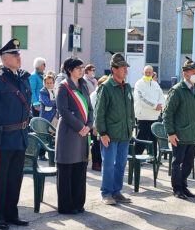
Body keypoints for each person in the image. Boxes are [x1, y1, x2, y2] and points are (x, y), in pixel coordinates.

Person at [0, 39, 31, 230]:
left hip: (21, 137)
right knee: (0, 179)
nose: (19, 57)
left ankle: (11, 213)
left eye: (19, 54)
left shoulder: (22, 79)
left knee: (16, 178)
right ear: (5, 58)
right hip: (4, 138)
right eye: (14, 55)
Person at [95, 53, 135, 205]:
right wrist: (103, 133)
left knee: (120, 165)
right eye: (123, 68)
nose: (126, 70)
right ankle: (107, 193)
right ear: (114, 69)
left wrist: (130, 127)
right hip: (110, 135)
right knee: (109, 165)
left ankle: (117, 192)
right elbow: (99, 113)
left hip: (124, 134)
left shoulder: (127, 87)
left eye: (126, 68)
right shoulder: (106, 88)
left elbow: (131, 110)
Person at [55, 57, 93, 214]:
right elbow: (63, 111)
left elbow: (90, 109)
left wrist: (89, 126)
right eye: (78, 68)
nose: (81, 70)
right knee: (67, 169)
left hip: (83, 133)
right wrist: (80, 127)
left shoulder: (83, 85)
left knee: (79, 169)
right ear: (69, 70)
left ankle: (78, 203)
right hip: (69, 133)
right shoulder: (63, 87)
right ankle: (66, 205)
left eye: (82, 67)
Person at [163, 57, 195, 200]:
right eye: (193, 72)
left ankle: (184, 186)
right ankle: (177, 188)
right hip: (179, 134)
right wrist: (171, 132)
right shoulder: (177, 90)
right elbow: (167, 113)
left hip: (193, 133)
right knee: (177, 162)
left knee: (188, 163)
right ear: (185, 74)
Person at [134, 65, 165, 157]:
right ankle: (136, 156)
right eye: (146, 72)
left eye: (149, 72)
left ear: (152, 73)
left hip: (154, 116)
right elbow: (141, 99)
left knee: (153, 139)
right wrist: (155, 105)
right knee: (141, 138)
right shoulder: (139, 84)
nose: (148, 74)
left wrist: (160, 105)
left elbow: (161, 96)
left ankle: (153, 157)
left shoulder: (156, 84)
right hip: (143, 116)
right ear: (143, 73)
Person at [29, 57, 47, 160]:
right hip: (37, 106)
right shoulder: (34, 76)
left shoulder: (42, 76)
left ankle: (42, 152)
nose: (45, 66)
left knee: (43, 129)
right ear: (39, 65)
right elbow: (32, 90)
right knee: (37, 129)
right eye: (43, 64)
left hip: (44, 106)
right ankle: (37, 153)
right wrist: (35, 104)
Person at [90, 75, 108, 171]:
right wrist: (94, 126)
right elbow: (93, 112)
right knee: (96, 144)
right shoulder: (94, 95)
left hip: (105, 125)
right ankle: (96, 163)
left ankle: (102, 162)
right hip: (96, 125)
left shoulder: (106, 94)